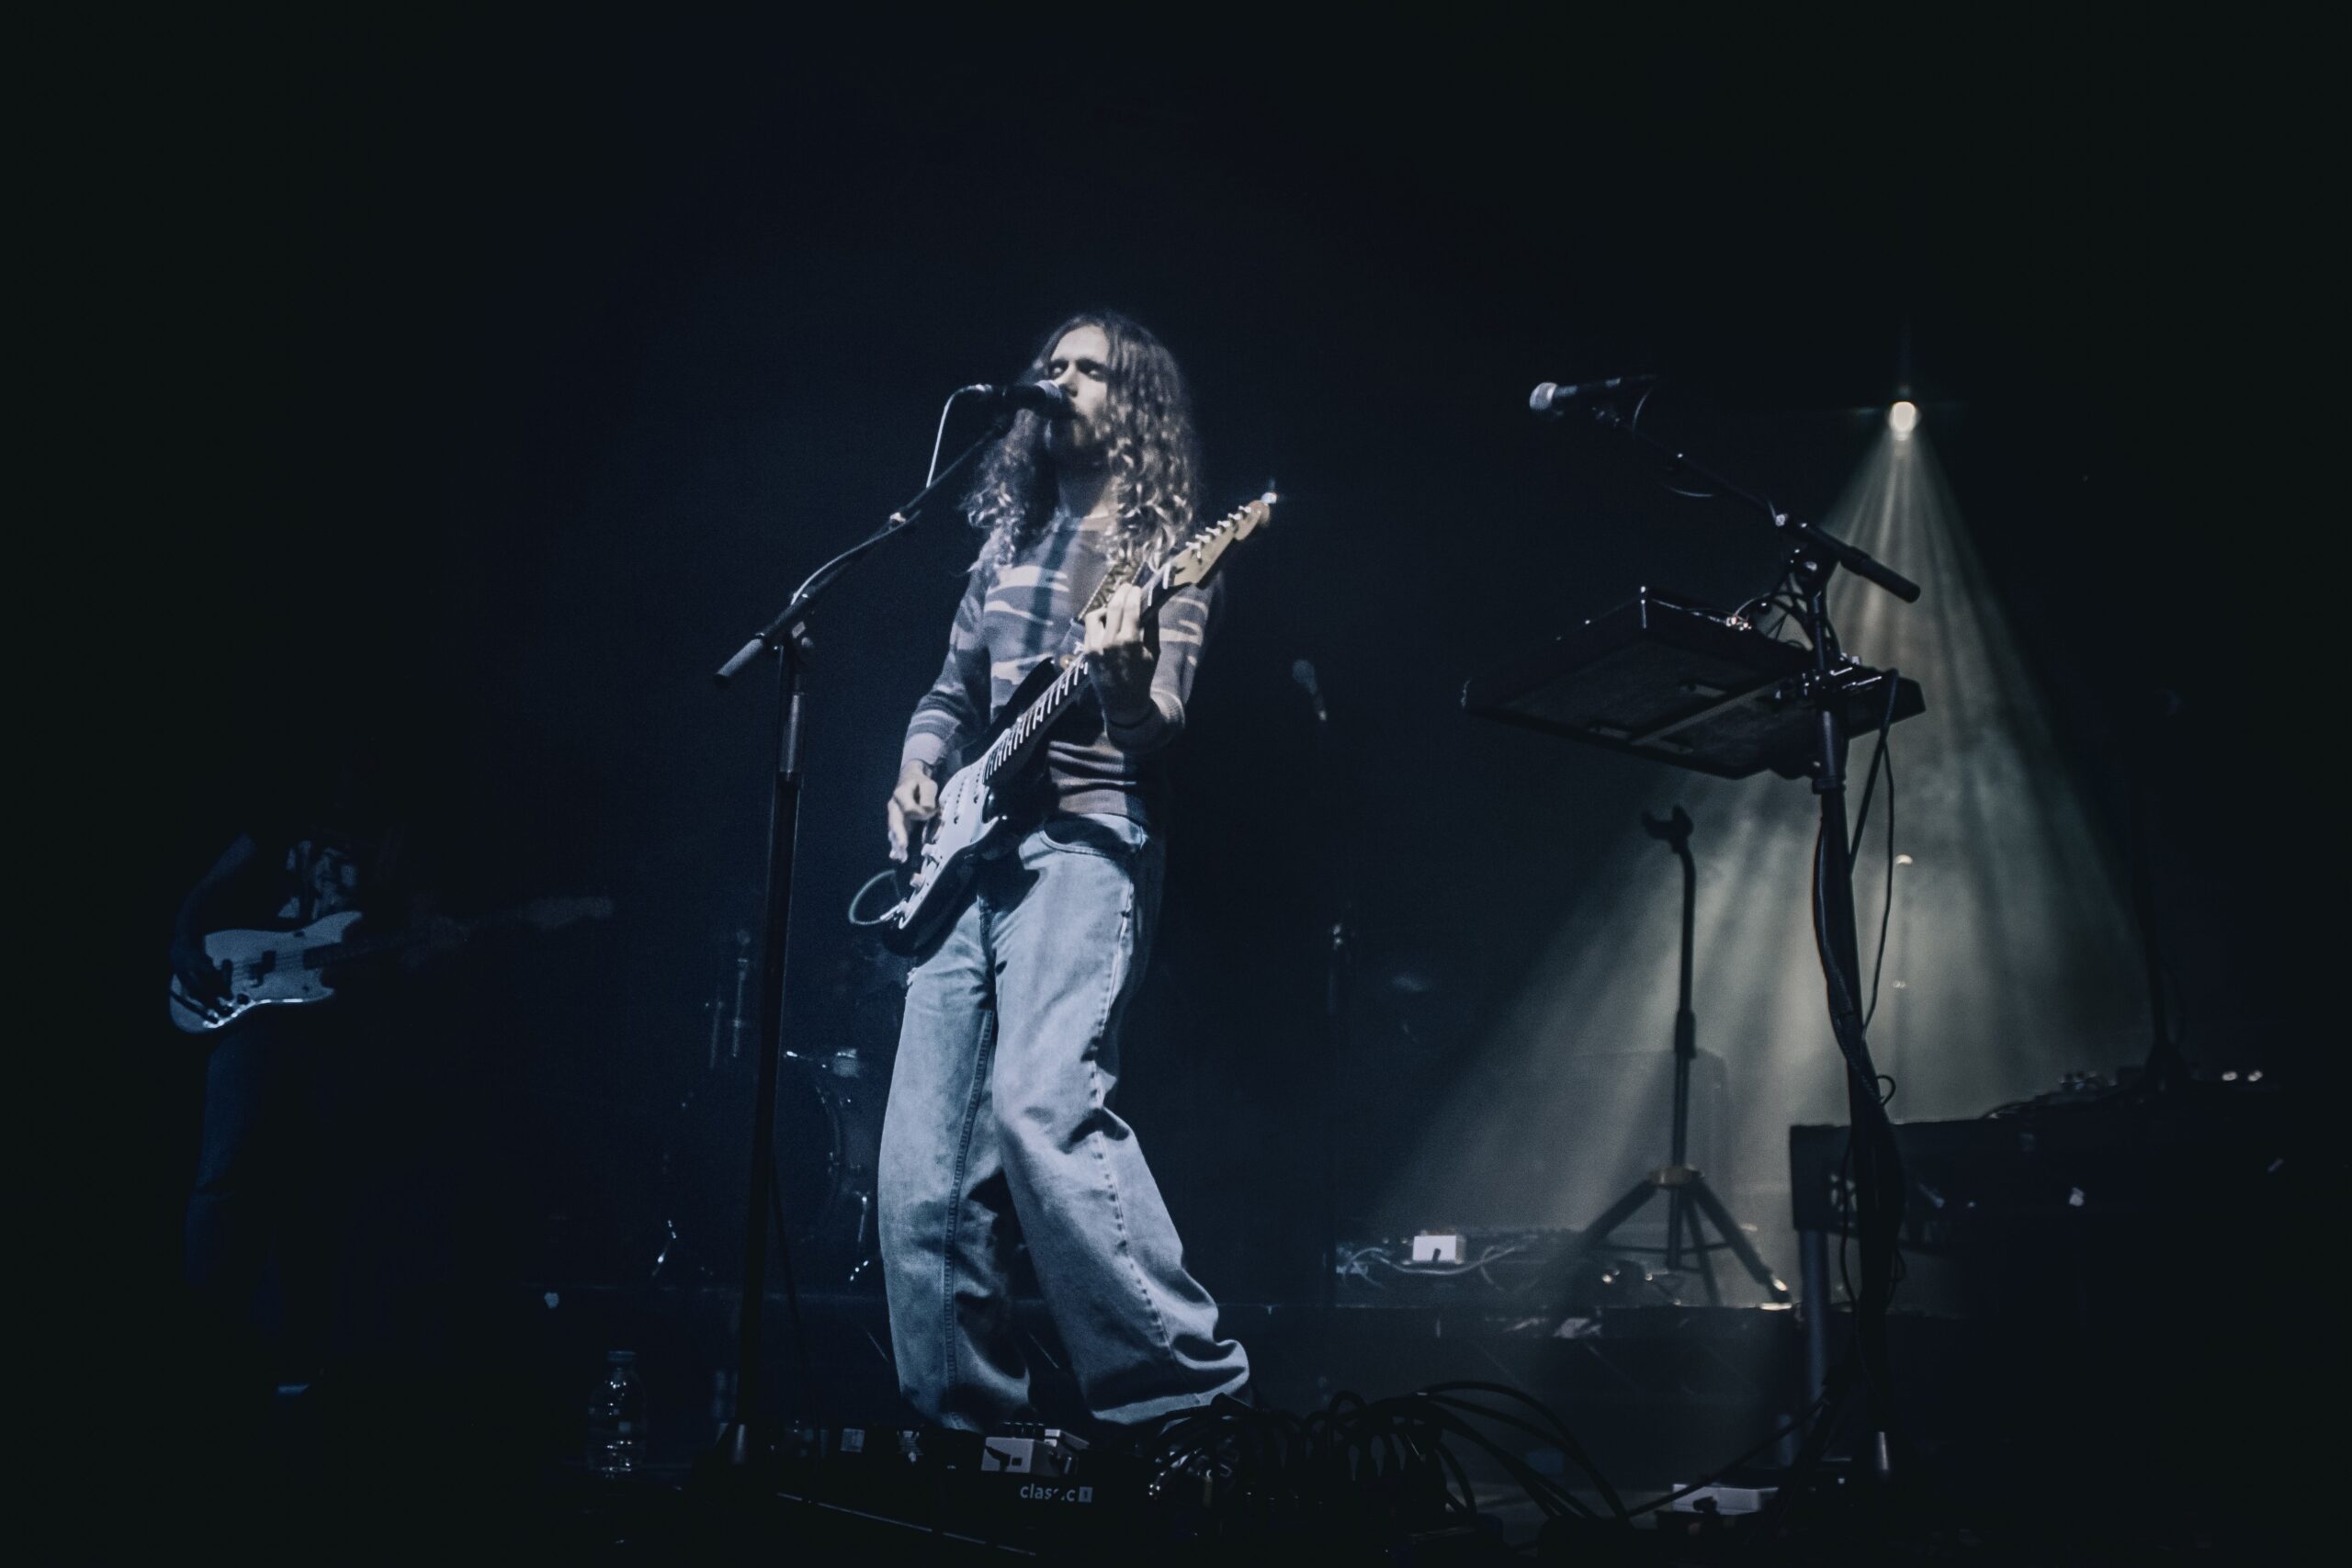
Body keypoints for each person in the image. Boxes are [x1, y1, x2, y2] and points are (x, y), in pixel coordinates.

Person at [876, 310, 1250, 1434]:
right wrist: (917, 768)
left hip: (1085, 843)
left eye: (1092, 370)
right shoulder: (1008, 548)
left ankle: (1189, 1407)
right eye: (1055, 365)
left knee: (1041, 1108)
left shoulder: (1165, 554)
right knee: (918, 1177)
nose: (1065, 381)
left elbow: (1158, 723)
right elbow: (951, 691)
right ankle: (968, 1435)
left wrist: (1122, 676)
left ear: (1133, 405)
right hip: (964, 866)